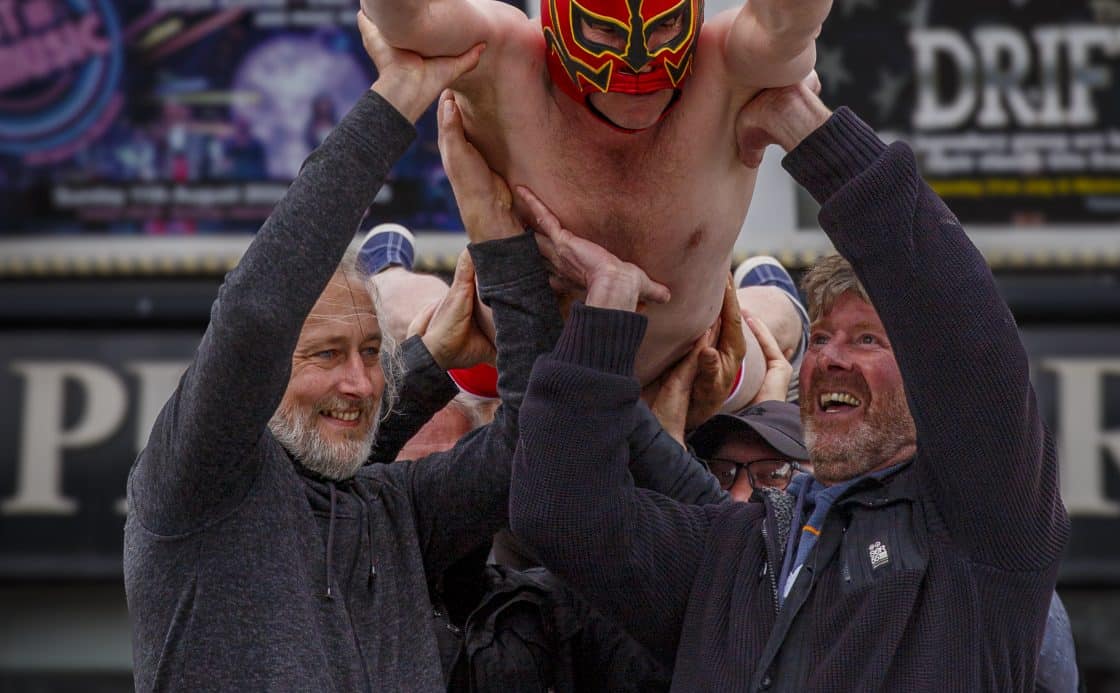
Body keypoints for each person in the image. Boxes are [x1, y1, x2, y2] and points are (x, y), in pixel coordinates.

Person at [509, 77, 1071, 689]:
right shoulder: (732, 551)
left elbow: (967, 337)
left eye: (867, 340)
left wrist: (803, 124)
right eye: (822, 337)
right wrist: (608, 305)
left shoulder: (979, 530)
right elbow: (558, 512)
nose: (829, 358)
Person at [123, 27, 560, 689]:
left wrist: (499, 241)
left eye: (373, 353)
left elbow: (541, 438)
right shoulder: (197, 481)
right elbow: (255, 315)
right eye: (326, 353)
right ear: (268, 368)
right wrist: (395, 102)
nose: (358, 382)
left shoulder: (395, 510)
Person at [358, 0, 822, 410]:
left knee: (776, 322)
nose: (639, 61)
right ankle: (387, 271)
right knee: (400, 311)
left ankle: (769, 286)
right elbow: (409, 18)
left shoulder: (730, 63)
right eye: (605, 32)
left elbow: (790, 20)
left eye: (664, 28)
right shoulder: (505, 58)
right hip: (497, 355)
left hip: (692, 364)